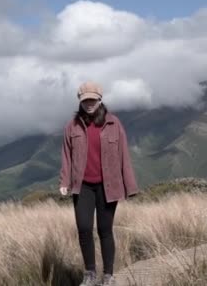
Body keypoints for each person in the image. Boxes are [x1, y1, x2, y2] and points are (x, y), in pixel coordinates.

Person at [59, 81, 139, 286]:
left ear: (100, 99)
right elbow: (66, 156)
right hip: (82, 186)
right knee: (84, 228)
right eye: (85, 100)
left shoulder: (113, 124)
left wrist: (130, 186)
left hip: (108, 187)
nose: (89, 103)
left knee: (105, 230)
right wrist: (64, 181)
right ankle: (90, 274)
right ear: (80, 101)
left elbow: (124, 156)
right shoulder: (72, 126)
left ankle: (108, 275)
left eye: (92, 99)